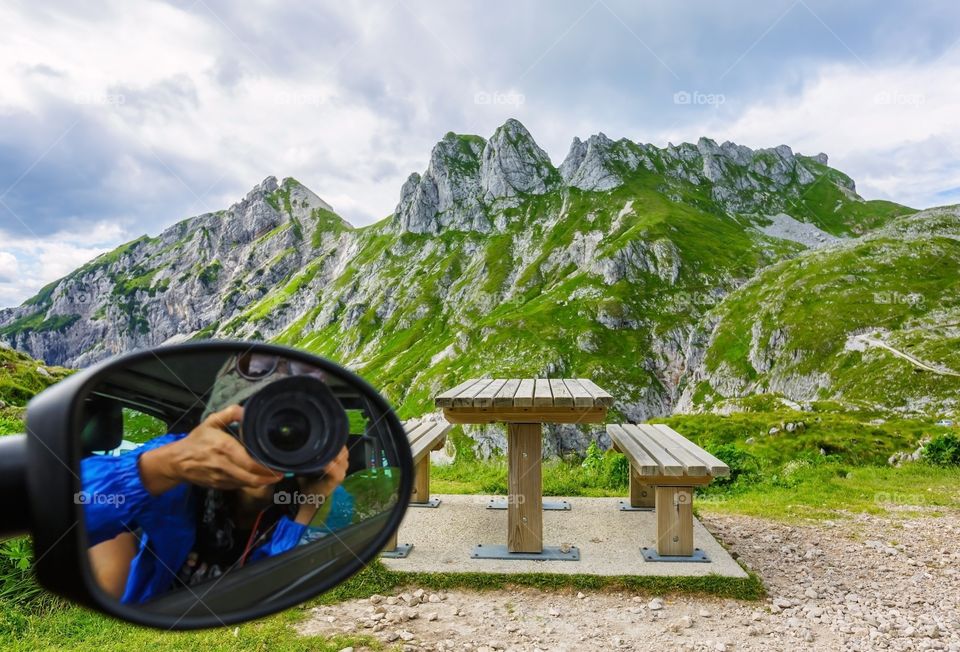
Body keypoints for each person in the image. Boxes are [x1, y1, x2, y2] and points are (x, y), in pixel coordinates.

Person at [82, 403, 351, 604]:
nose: (271, 444)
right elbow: (67, 505)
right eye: (259, 425)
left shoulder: (312, 493)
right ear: (228, 429)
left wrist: (309, 504)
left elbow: (264, 591)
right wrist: (161, 467)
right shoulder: (184, 469)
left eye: (291, 437)